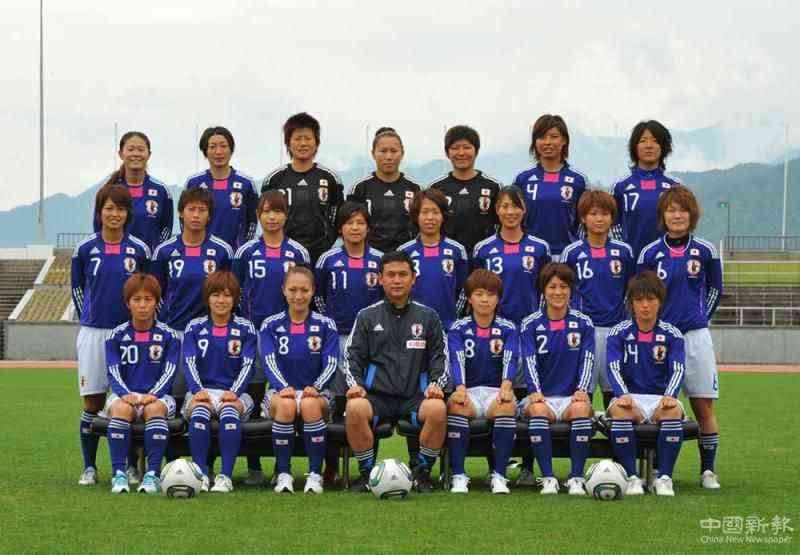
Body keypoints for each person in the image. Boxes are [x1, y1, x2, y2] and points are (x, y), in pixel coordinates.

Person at [637, 186, 722, 490]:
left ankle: (708, 471)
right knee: (658, 406)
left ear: (692, 214)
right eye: (671, 210)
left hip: (695, 336)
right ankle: (657, 472)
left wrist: (700, 318)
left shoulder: (706, 250)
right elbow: (640, 295)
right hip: (659, 339)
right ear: (663, 215)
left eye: (683, 210)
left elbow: (715, 289)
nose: (677, 215)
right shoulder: (649, 253)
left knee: (703, 407)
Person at [342, 251, 449, 493]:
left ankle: (422, 472)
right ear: (380, 279)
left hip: (415, 396)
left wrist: (436, 384)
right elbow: (351, 356)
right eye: (391, 275)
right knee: (355, 407)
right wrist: (356, 385)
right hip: (377, 397)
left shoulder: (429, 316)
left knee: (437, 409)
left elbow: (440, 357)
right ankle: (367, 473)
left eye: (403, 274)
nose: (397, 280)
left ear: (413, 279)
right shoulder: (366, 316)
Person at [72, 184, 151, 486]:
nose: (114, 214)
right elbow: (78, 289)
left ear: (127, 213)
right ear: (99, 212)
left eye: (119, 209)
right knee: (92, 402)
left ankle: (130, 466)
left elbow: (146, 291)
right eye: (108, 208)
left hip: (127, 336)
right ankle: (89, 467)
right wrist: (89, 317)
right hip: (93, 333)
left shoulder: (139, 249)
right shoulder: (85, 249)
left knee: (129, 401)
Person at [233, 190, 310, 483]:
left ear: (286, 216)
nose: (272, 217)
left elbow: (306, 292)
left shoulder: (298, 253)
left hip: (288, 337)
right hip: (253, 336)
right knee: (253, 403)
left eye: (278, 211)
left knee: (285, 399)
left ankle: (282, 466)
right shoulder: (245, 252)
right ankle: (254, 467)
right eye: (266, 211)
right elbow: (235, 292)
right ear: (258, 216)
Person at [606, 271, 686, 496]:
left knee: (672, 412)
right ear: (631, 303)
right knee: (620, 411)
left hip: (661, 398)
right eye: (639, 299)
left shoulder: (673, 334)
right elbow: (613, 367)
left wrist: (670, 394)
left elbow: (678, 368)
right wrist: (622, 393)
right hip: (630, 397)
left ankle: (664, 478)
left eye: (651, 299)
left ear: (660, 302)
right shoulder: (618, 332)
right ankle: (633, 478)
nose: (645, 305)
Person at [260, 267, 339, 494]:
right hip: (280, 392)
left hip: (316, 393)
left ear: (313, 291)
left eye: (304, 290)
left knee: (309, 404)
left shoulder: (326, 325)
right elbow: (268, 361)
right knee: (286, 405)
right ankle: (284, 474)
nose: (298, 295)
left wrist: (316, 387)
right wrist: (282, 387)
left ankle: (315, 475)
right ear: (283, 290)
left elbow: (331, 362)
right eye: (293, 289)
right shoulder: (270, 325)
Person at [519, 263, 595, 495]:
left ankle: (576, 478)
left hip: (572, 398)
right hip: (542, 398)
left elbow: (588, 359)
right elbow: (529, 360)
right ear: (544, 290)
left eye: (563, 286)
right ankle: (548, 478)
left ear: (571, 290)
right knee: (538, 410)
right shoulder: (530, 323)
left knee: (582, 409)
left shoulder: (584, 322)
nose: (558, 292)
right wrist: (535, 391)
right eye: (552, 287)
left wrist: (582, 389)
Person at [103, 273, 179, 494]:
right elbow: (113, 370)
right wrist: (124, 393)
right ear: (128, 303)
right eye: (137, 300)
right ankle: (119, 474)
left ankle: (152, 475)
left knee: (154, 409)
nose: (143, 305)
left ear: (157, 302)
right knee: (120, 409)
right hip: (124, 394)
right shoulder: (115, 335)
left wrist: (153, 394)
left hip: (158, 396)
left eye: (148, 299)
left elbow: (170, 371)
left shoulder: (170, 335)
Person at [182, 270, 257, 493]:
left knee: (229, 412)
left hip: (235, 393)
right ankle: (201, 475)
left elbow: (248, 364)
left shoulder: (245, 328)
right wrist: (197, 390)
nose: (221, 300)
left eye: (227, 295)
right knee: (199, 413)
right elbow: (189, 362)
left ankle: (225, 476)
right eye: (215, 295)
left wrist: (234, 391)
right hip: (202, 391)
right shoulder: (194, 327)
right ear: (207, 298)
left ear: (235, 299)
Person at [446, 269, 519, 494]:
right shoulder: (458, 328)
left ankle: (499, 476)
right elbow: (456, 359)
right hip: (468, 391)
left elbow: (511, 358)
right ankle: (459, 475)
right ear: (469, 298)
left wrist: (506, 387)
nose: (485, 299)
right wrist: (460, 388)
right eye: (479, 294)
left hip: (495, 391)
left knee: (506, 405)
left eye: (490, 294)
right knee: (457, 405)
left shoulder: (508, 328)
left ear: (498, 299)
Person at [560, 190, 635, 406]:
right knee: (582, 396)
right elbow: (561, 292)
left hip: (616, 332)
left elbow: (632, 291)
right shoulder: (571, 253)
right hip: (584, 332)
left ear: (612, 218)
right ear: (583, 218)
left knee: (618, 398)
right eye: (593, 214)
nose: (599, 219)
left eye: (604, 214)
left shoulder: (624, 252)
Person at [261, 112, 344, 263]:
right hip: (284, 253)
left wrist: (327, 241)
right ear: (288, 143)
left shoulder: (330, 178)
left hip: (320, 254)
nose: (303, 143)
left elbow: (338, 216)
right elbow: (265, 215)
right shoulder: (274, 180)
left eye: (308, 138)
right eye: (298, 138)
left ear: (316, 142)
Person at [151, 188, 233, 340]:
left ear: (209, 215)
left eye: (202, 210)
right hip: (173, 330)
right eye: (191, 209)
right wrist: (164, 319)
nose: (196, 215)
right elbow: (154, 293)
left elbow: (230, 292)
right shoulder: (164, 251)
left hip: (209, 332)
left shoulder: (223, 251)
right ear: (181, 213)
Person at [473, 186, 552, 325]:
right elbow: (476, 290)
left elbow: (546, 289)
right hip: (494, 326)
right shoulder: (482, 249)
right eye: (505, 206)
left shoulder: (541, 248)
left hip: (530, 324)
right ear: (497, 209)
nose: (510, 212)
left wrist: (539, 318)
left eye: (516, 206)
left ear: (524, 208)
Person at [513, 114, 587, 256]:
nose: (547, 142)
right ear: (535, 142)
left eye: (554, 137)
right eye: (541, 137)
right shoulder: (523, 179)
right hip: (530, 254)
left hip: (566, 253)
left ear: (564, 140)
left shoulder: (579, 180)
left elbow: (585, 222)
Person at [399, 189, 468, 330]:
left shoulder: (457, 250)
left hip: (448, 326)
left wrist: (454, 316)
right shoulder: (404, 252)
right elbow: (398, 290)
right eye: (424, 212)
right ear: (416, 216)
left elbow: (464, 289)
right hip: (411, 327)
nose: (430, 217)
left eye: (436, 212)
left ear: (443, 216)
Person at [611, 120, 682, 257]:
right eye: (643, 141)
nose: (649, 146)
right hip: (631, 260)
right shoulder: (620, 186)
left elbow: (683, 223)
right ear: (634, 147)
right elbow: (613, 224)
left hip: (666, 260)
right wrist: (624, 250)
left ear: (663, 146)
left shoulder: (675, 186)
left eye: (655, 141)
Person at [92, 131, 173, 251]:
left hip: (149, 259)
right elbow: (98, 227)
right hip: (118, 257)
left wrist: (156, 252)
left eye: (141, 150)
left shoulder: (161, 191)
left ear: (149, 154)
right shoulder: (109, 190)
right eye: (130, 149)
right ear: (121, 154)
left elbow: (166, 228)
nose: (135, 154)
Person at [429, 125, 502, 257]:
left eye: (466, 147)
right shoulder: (436, 188)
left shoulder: (493, 186)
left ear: (476, 151)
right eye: (455, 148)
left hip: (484, 257)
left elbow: (502, 224)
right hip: (447, 257)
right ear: (447, 152)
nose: (461, 153)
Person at [184, 126, 259, 250]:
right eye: (212, 147)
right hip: (203, 254)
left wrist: (243, 248)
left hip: (234, 254)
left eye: (223, 146)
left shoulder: (246, 183)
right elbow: (185, 219)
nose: (218, 152)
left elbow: (253, 220)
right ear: (205, 151)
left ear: (231, 150)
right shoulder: (194, 182)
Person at [347, 127, 420, 253]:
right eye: (383, 151)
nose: (389, 157)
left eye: (394, 151)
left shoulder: (415, 188)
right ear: (373, 153)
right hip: (369, 256)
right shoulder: (359, 188)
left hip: (405, 256)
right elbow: (349, 225)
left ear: (402, 153)